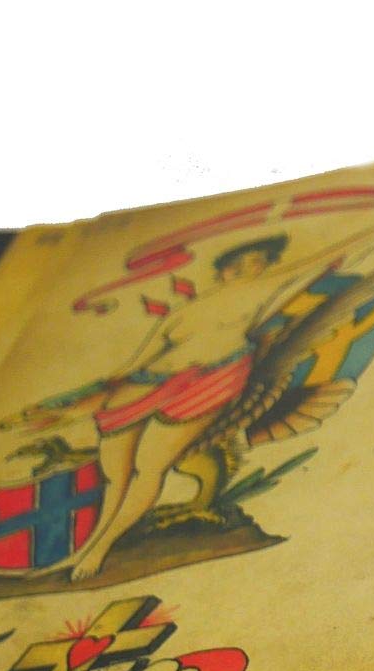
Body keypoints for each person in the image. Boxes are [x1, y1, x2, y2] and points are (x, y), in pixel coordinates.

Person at [63, 234, 328, 581]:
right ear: (226, 270)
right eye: (248, 262)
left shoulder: (257, 291)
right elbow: (142, 358)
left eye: (261, 261)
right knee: (116, 474)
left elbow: (322, 259)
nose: (257, 267)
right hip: (154, 380)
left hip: (211, 379)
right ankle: (92, 542)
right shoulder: (183, 312)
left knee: (149, 466)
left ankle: (101, 548)